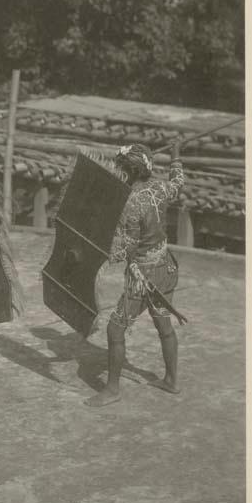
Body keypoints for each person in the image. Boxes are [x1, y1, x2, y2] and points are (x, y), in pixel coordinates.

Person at [85, 139, 184, 408]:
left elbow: (125, 251)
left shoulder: (130, 203)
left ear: (127, 173)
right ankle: (172, 381)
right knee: (164, 325)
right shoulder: (161, 188)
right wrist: (175, 156)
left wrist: (99, 247)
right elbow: (178, 182)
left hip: (144, 279)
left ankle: (112, 389)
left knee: (115, 329)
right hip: (166, 267)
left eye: (120, 170)